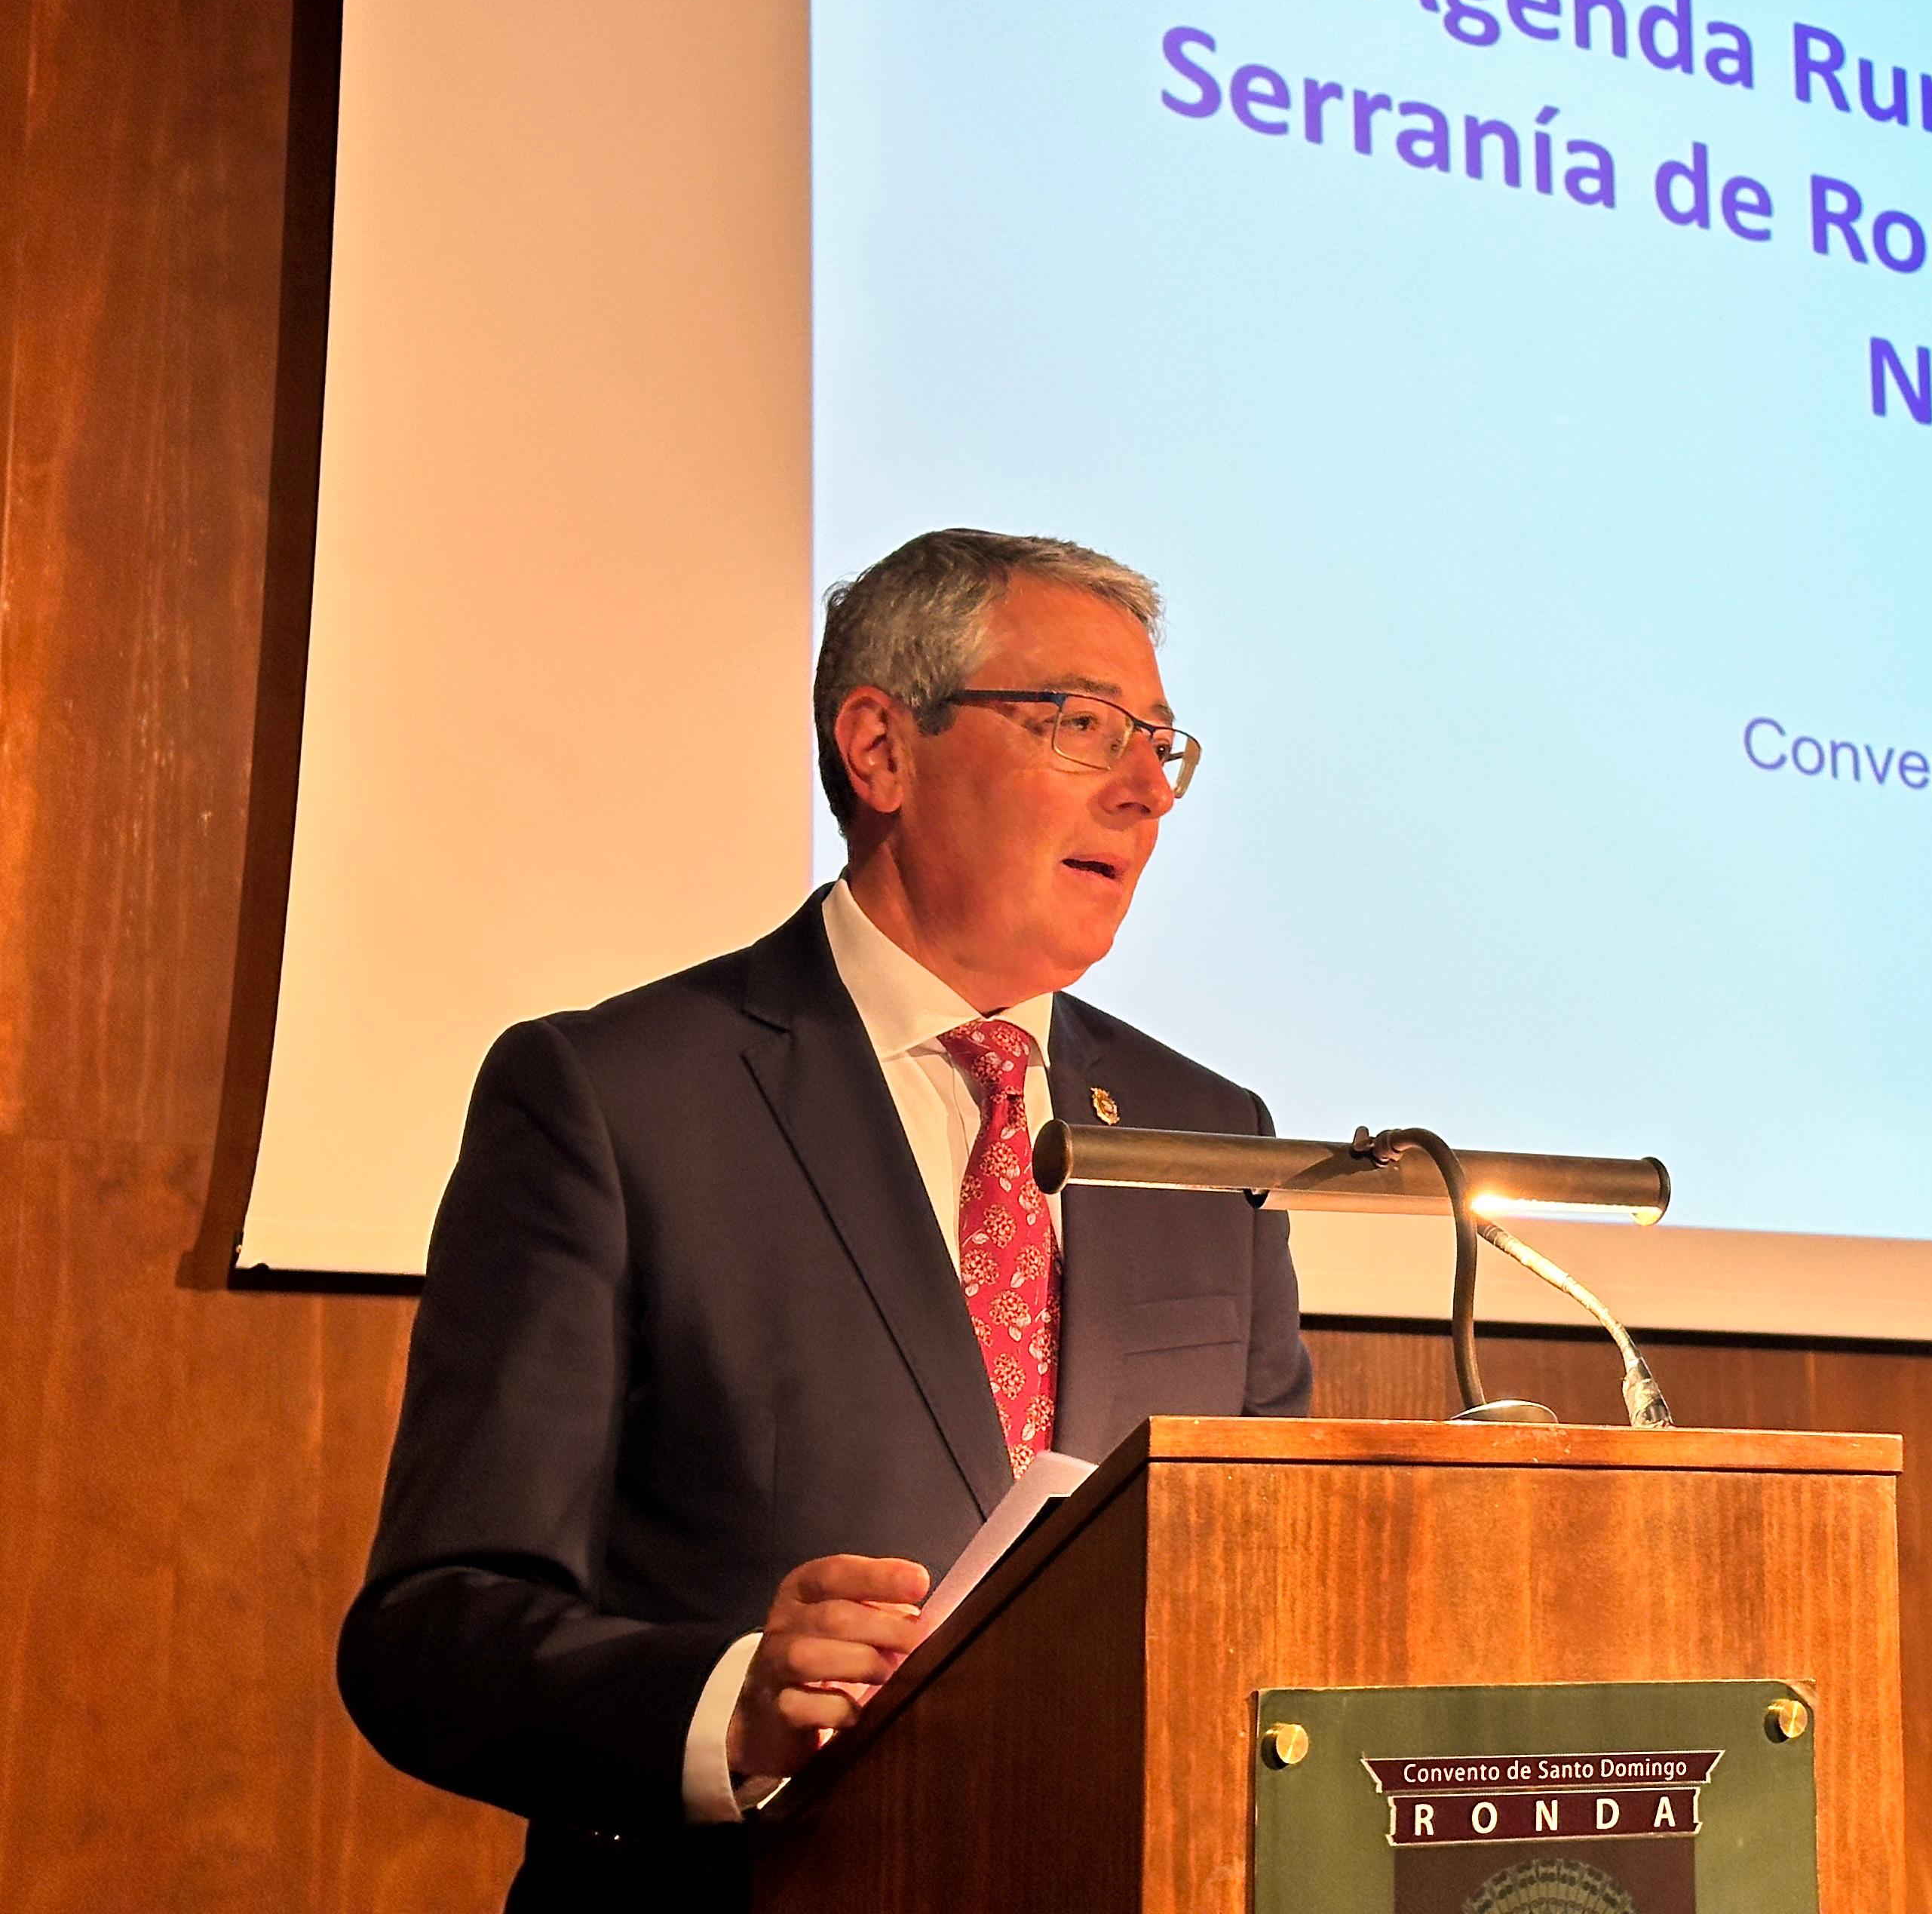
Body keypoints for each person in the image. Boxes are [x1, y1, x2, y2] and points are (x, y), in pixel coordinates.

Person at [339, 531, 1313, 1911]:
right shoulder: (614, 1101)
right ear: (881, 749)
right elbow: (431, 1636)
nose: (1149, 791)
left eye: (1164, 746)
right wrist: (730, 1705)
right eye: (1085, 726)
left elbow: (1266, 1585)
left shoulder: (1206, 1137)